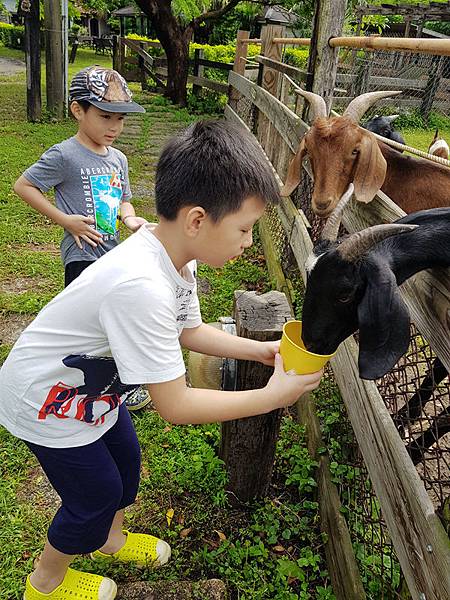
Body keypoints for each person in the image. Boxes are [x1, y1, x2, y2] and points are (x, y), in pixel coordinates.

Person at [0, 119, 323, 600]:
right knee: (94, 496)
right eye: (244, 228)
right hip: (46, 402)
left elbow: (188, 331)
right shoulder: (142, 288)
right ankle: (46, 583)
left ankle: (111, 541)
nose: (248, 242)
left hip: (92, 394)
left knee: (126, 466)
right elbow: (173, 405)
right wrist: (269, 397)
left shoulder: (175, 257)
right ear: (197, 220)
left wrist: (260, 349)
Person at [13, 65, 151, 411]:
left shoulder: (118, 159)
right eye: (106, 117)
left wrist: (131, 219)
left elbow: (123, 198)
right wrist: (67, 222)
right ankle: (84, 380)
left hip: (111, 254)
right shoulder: (64, 155)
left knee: (116, 319)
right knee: (90, 324)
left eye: (120, 120)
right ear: (78, 110)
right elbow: (24, 186)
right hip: (81, 255)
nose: (115, 127)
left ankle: (117, 380)